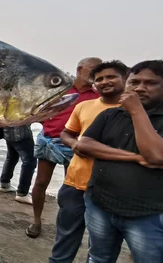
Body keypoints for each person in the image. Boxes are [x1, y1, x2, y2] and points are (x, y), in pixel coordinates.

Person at [76, 60, 163, 263]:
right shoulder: (110, 114)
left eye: (150, 83)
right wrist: (135, 157)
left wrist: (136, 111)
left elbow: (156, 155)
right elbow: (84, 145)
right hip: (101, 204)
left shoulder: (137, 112)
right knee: (98, 258)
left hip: (148, 213)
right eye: (134, 82)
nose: (140, 88)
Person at [48, 60, 128, 262]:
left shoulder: (135, 111)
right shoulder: (83, 106)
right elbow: (66, 133)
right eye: (99, 78)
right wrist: (74, 145)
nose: (104, 82)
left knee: (101, 246)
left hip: (111, 188)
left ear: (125, 79)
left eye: (111, 77)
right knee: (65, 237)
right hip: (75, 183)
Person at [26, 57, 102, 238]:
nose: (96, 74)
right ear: (80, 69)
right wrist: (47, 122)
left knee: (72, 186)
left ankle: (68, 224)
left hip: (76, 144)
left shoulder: (96, 96)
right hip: (49, 139)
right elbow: (39, 107)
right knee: (41, 181)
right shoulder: (61, 89)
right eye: (94, 69)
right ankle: (36, 220)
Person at [0, 124, 36, 205]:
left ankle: (4, 184)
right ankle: (22, 193)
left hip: (8, 132)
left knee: (12, 157)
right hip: (21, 133)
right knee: (29, 162)